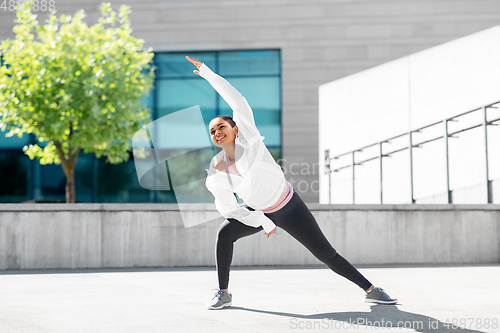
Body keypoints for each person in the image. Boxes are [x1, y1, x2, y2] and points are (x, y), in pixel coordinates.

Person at [185, 56, 397, 310]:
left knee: (326, 254)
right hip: (259, 211)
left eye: (221, 127)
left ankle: (371, 290)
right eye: (212, 132)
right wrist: (261, 220)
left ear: (235, 129)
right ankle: (223, 292)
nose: (217, 133)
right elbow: (227, 206)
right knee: (225, 233)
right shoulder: (217, 167)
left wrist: (208, 74)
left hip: (289, 207)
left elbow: (238, 101)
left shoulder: (249, 138)